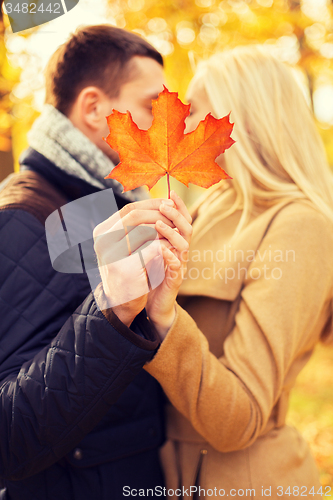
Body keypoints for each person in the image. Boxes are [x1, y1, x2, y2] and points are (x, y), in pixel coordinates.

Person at [126, 46, 333, 499]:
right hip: (170, 472)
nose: (182, 125)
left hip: (248, 481)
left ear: (239, 115)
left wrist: (165, 320)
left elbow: (239, 420)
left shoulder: (299, 224)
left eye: (197, 110)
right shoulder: (212, 207)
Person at [0, 24, 192, 500]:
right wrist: (113, 311)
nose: (163, 128)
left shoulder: (107, 207)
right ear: (92, 108)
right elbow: (9, 439)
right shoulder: (24, 220)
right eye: (150, 107)